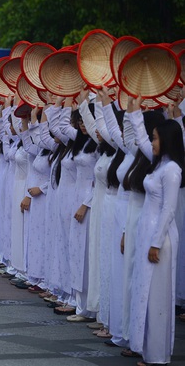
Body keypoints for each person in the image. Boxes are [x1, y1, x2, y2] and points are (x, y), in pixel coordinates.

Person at [127, 107, 183, 366]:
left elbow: (169, 210)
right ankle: (146, 349)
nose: (152, 142)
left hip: (160, 239)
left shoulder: (171, 170)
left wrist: (156, 243)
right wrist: (133, 111)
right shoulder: (158, 163)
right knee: (145, 294)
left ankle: (158, 355)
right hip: (147, 232)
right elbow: (139, 137)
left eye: (156, 138)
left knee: (158, 297)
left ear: (168, 140)